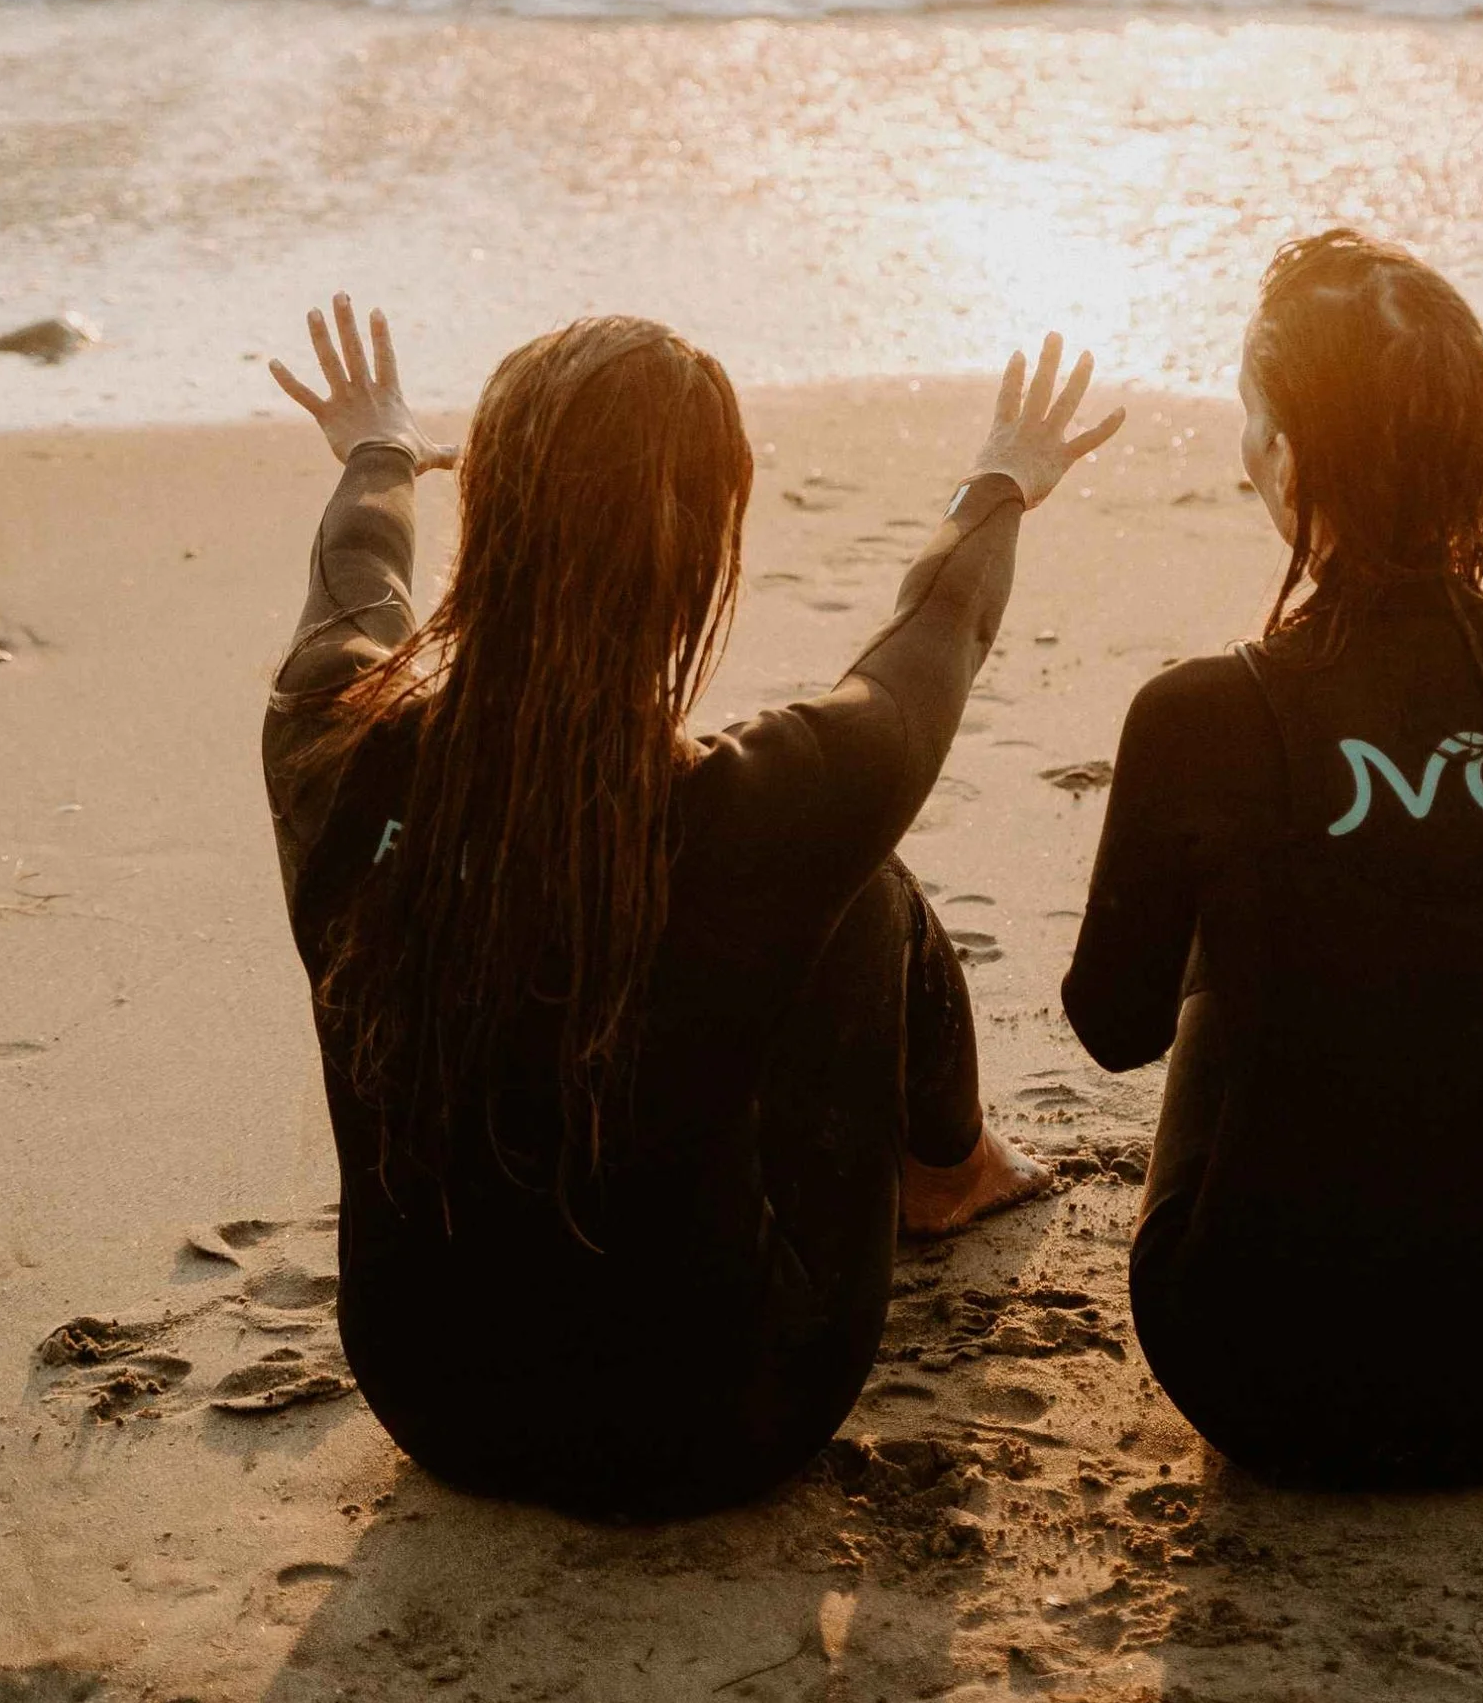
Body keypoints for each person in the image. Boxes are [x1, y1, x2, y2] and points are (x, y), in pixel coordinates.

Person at [262, 294, 1120, 1517]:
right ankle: (952, 1171)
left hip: (430, 1394)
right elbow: (938, 630)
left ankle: (944, 1165)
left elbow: (358, 574)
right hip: (722, 1419)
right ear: (704, 550)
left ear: (490, 521)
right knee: (864, 888)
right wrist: (998, 480)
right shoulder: (766, 801)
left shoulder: (328, 733)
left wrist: (379, 448)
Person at [1063, 228, 1483, 1489]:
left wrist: (1295, 886)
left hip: (1248, 1366)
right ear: (1470, 449)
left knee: (1249, 919)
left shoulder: (1198, 714)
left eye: (1252, 422)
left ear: (1286, 458)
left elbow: (1112, 1025)